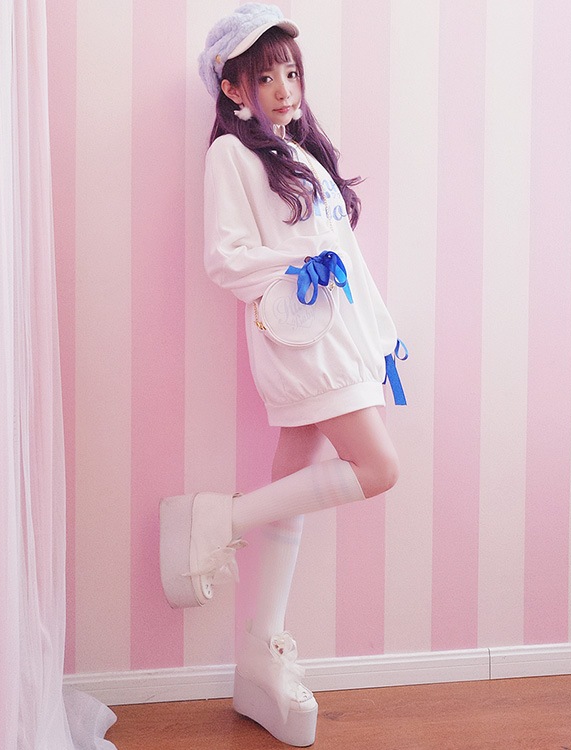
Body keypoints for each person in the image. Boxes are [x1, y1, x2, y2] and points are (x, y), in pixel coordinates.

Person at [159, 4, 405, 746]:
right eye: (264, 77)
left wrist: (381, 338)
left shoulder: (300, 156)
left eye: (290, 73)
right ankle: (216, 520)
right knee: (379, 469)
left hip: (338, 338)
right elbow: (226, 258)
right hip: (304, 342)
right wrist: (300, 263)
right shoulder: (231, 157)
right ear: (233, 89)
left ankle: (260, 653)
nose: (283, 88)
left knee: (292, 488)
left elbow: (348, 262)